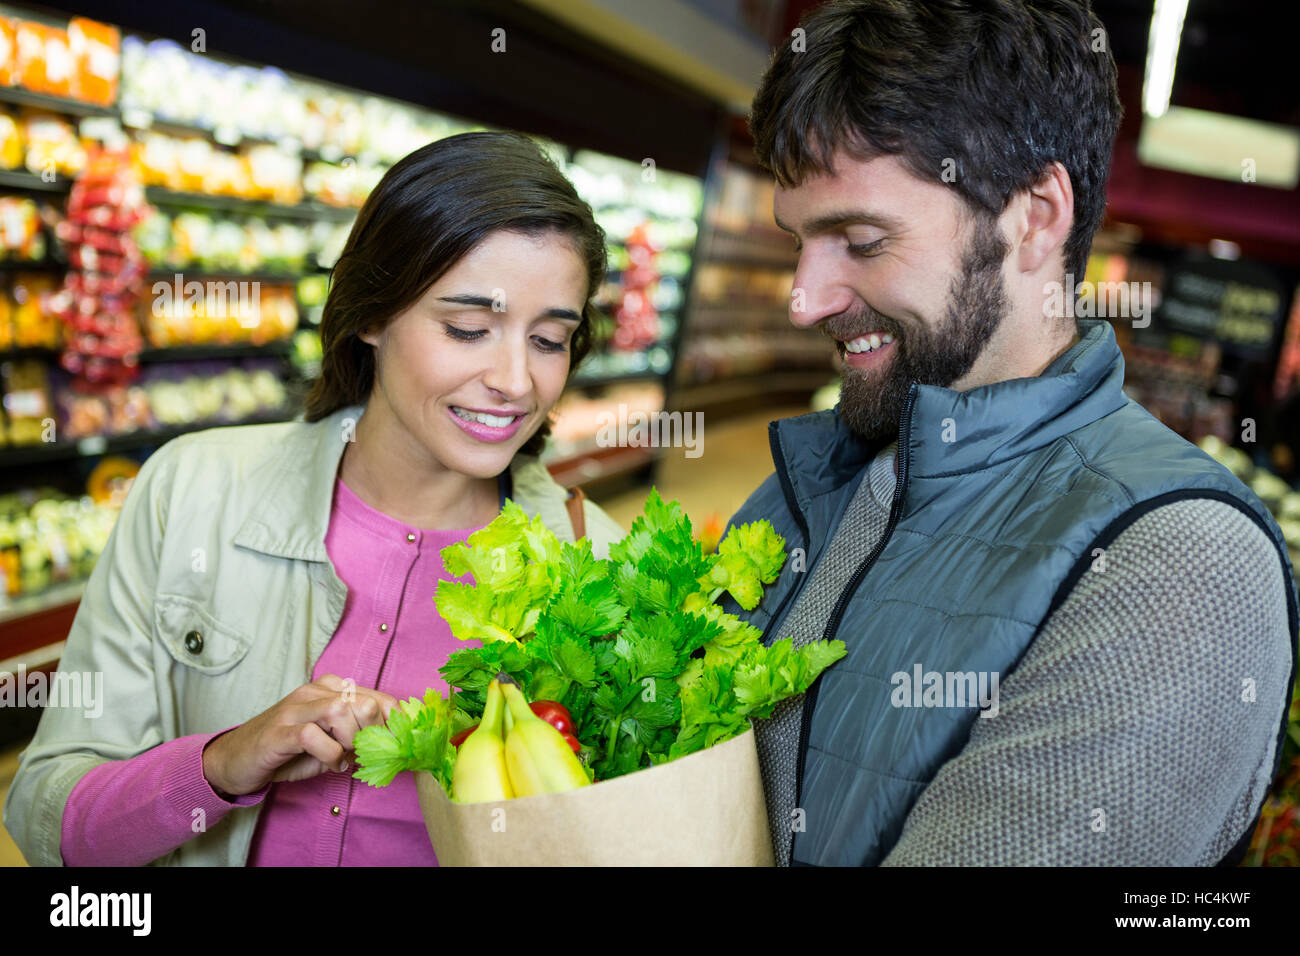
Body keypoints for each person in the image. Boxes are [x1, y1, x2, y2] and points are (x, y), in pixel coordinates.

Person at [721, 0, 1299, 866]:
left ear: (1033, 217)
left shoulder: (1178, 561)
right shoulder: (821, 469)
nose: (804, 299)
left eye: (862, 240)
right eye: (801, 241)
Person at [3, 131, 626, 866]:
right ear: (370, 314)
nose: (516, 380)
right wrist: (221, 766)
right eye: (468, 329)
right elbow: (49, 819)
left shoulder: (598, 570)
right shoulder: (191, 492)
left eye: (550, 341)